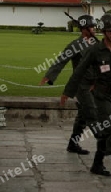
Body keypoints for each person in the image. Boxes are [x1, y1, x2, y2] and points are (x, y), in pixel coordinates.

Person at [60, 13, 111, 179]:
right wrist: (68, 92)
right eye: (110, 31)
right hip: (101, 94)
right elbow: (80, 71)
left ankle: (97, 164)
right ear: (103, 32)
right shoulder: (94, 50)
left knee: (108, 131)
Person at [40, 14, 98, 155]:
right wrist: (49, 75)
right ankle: (107, 143)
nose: (94, 29)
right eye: (91, 27)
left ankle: (73, 144)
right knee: (92, 113)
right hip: (81, 85)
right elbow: (61, 60)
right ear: (84, 29)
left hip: (95, 85)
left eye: (94, 26)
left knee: (83, 116)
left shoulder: (97, 44)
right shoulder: (75, 45)